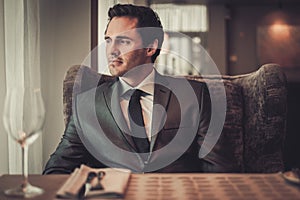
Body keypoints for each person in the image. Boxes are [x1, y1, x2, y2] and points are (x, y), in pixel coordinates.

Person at [43, 4, 238, 174]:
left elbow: (220, 169)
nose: (112, 50)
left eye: (124, 41)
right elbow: (57, 169)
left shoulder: (195, 96)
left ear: (150, 48)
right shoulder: (86, 104)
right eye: (109, 40)